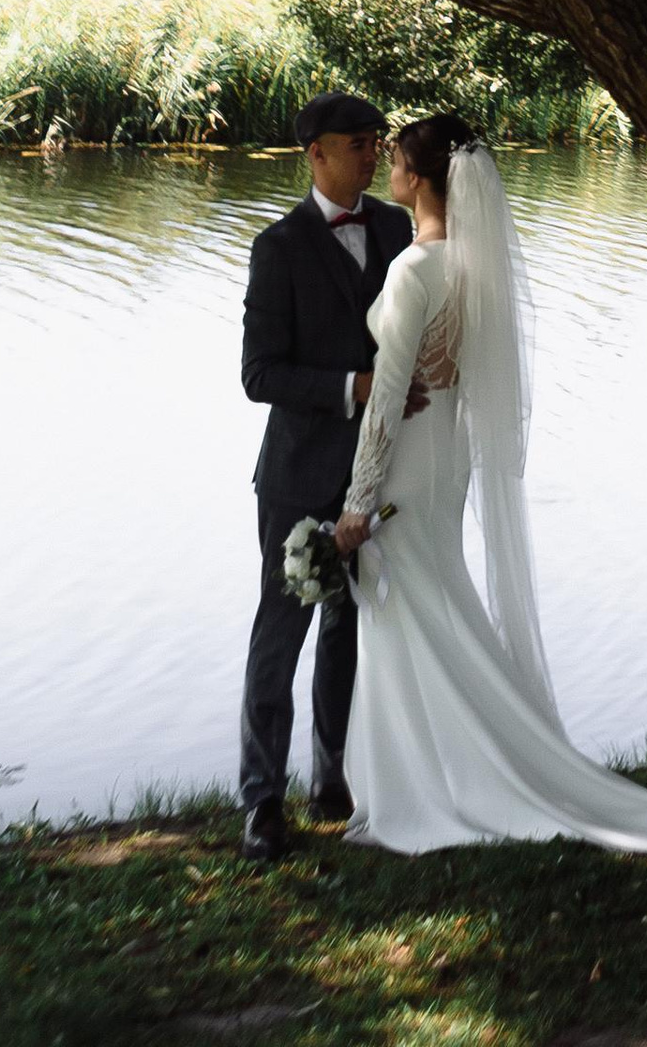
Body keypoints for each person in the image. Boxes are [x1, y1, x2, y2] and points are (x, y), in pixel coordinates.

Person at [326, 110, 647, 858]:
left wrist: (357, 504)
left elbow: (387, 399)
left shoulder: (415, 269)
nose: (386, 169)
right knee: (434, 609)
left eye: (394, 160)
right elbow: (454, 378)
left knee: (409, 614)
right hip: (445, 460)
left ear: (417, 178)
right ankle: (447, 769)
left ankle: (433, 785)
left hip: (408, 466)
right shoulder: (471, 268)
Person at [237, 90, 429, 865]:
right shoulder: (276, 247)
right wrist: (352, 385)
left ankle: (332, 781)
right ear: (315, 154)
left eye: (375, 139)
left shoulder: (396, 227)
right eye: (356, 142)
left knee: (351, 630)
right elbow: (258, 374)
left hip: (377, 473)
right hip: (296, 473)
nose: (369, 152)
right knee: (280, 633)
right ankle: (260, 802)